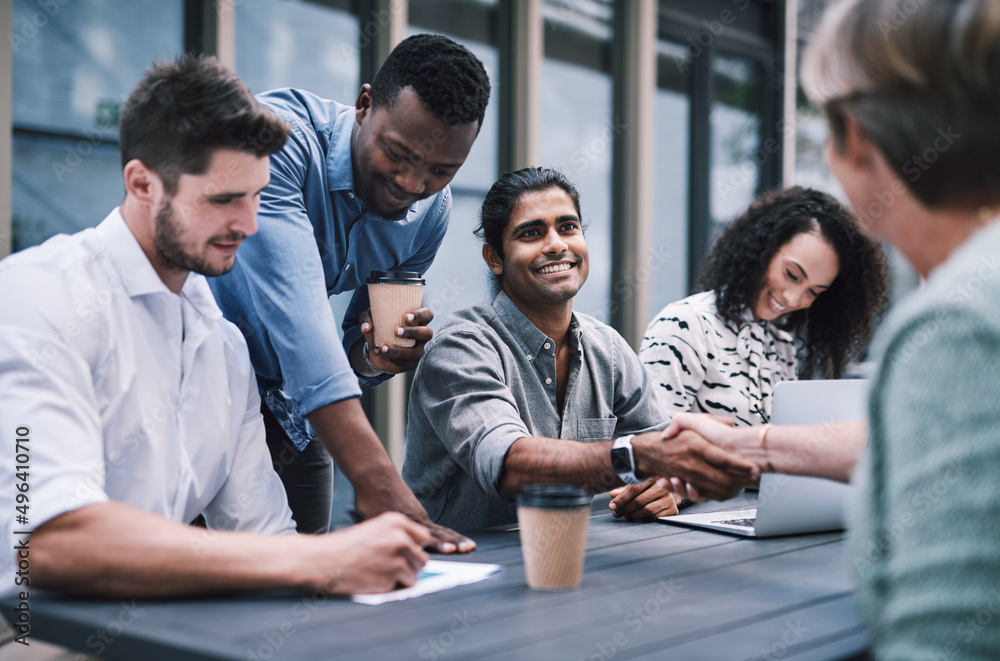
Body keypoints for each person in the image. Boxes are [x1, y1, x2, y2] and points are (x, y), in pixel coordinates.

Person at [0, 55, 431, 599]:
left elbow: (264, 534)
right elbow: (45, 544)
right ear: (142, 184)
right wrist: (321, 557)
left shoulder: (223, 347)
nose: (248, 226)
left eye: (257, 197)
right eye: (225, 200)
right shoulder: (37, 298)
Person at [208, 34, 491, 546]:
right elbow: (302, 327)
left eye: (440, 171)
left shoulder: (432, 211)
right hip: (199, 395)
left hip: (293, 413)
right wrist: (378, 478)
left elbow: (348, 352)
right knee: (196, 589)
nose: (411, 183)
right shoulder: (279, 140)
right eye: (398, 153)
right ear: (364, 106)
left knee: (308, 598)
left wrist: (378, 358)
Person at [401, 167, 759, 531]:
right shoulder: (460, 348)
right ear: (495, 258)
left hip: (573, 560)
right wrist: (640, 458)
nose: (557, 244)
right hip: (460, 567)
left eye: (568, 227)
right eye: (531, 232)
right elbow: (510, 466)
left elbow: (667, 461)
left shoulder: (610, 350)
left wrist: (670, 489)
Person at [639, 186, 888, 426]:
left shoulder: (781, 345)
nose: (793, 298)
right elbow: (651, 443)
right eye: (792, 274)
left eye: (813, 292)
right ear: (762, 249)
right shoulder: (684, 325)